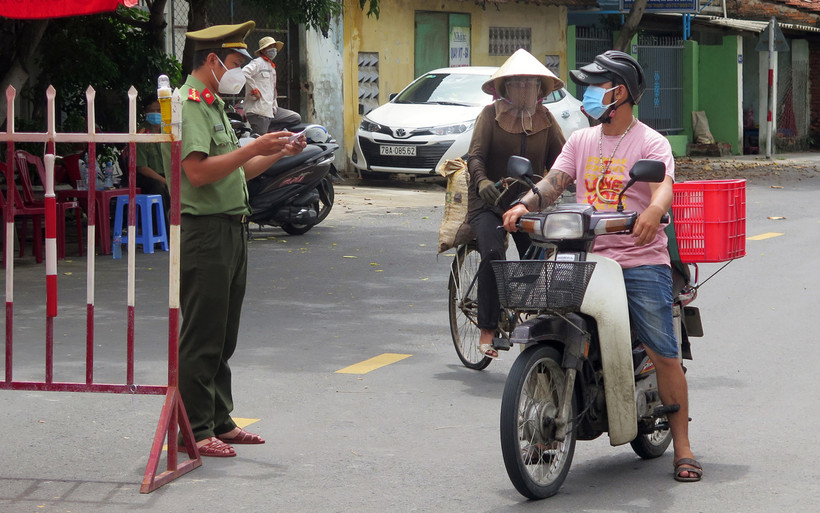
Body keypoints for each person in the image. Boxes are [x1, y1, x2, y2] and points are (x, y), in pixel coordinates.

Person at [502, 50, 702, 483]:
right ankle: (549, 421)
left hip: (637, 260)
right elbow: (553, 183)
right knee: (545, 319)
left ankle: (683, 447)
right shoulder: (581, 141)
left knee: (662, 353)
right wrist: (523, 204)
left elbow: (664, 186)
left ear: (621, 92)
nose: (588, 94)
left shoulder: (650, 142)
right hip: (585, 253)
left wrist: (654, 212)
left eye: (597, 85)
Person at [178, 21, 306, 458]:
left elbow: (235, 169)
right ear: (212, 61)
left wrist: (273, 151)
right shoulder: (191, 104)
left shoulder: (213, 104)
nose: (240, 71)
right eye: (234, 63)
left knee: (224, 332)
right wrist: (252, 148)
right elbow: (197, 172)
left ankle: (219, 419)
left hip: (232, 224)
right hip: (206, 231)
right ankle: (194, 427)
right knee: (203, 332)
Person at [467, 48, 566, 360]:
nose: (524, 89)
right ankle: (487, 328)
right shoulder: (489, 115)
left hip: (527, 204)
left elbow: (564, 161)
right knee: (494, 253)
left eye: (530, 84)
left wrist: (554, 186)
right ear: (505, 88)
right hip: (489, 201)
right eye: (518, 83)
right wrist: (482, 182)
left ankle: (520, 305)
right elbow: (475, 156)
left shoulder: (547, 120)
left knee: (539, 254)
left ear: (539, 89)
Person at [242, 36, 301, 135]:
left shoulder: (271, 66)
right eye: (270, 46)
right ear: (263, 50)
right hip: (259, 111)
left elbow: (271, 90)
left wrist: (274, 106)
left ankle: (270, 129)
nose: (273, 49)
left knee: (295, 118)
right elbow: (244, 72)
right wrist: (254, 90)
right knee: (261, 144)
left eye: (274, 46)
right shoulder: (258, 63)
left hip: (271, 110)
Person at [134, 95, 171, 223]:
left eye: (158, 111)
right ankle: (163, 235)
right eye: (152, 111)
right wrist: (165, 181)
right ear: (146, 112)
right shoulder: (142, 133)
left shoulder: (168, 130)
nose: (156, 114)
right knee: (159, 188)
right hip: (149, 178)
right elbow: (141, 167)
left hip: (166, 175)